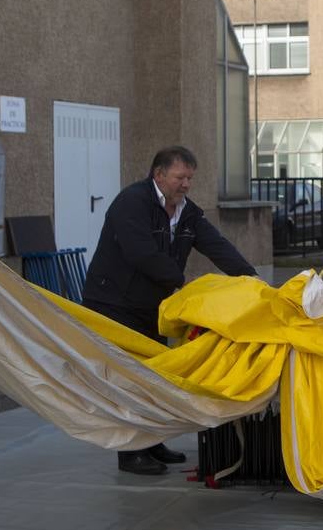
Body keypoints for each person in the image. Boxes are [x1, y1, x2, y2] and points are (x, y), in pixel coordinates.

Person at [82, 145, 257, 476]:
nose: (186, 184)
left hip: (152, 306)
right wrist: (185, 286)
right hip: (115, 304)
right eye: (180, 177)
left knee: (153, 377)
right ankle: (131, 453)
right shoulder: (132, 203)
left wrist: (252, 280)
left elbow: (217, 246)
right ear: (158, 175)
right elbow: (141, 253)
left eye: (190, 178)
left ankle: (152, 442)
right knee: (129, 379)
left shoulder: (186, 211)